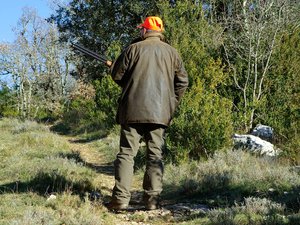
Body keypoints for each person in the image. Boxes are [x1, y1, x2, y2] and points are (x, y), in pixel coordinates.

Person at [106, 16, 188, 211]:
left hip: (132, 111)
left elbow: (118, 76)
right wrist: (171, 104)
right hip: (160, 113)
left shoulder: (133, 49)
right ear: (160, 32)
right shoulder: (172, 53)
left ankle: (120, 200)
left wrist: (114, 67)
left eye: (141, 29)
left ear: (145, 30)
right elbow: (183, 82)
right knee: (155, 155)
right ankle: (152, 200)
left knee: (127, 154)